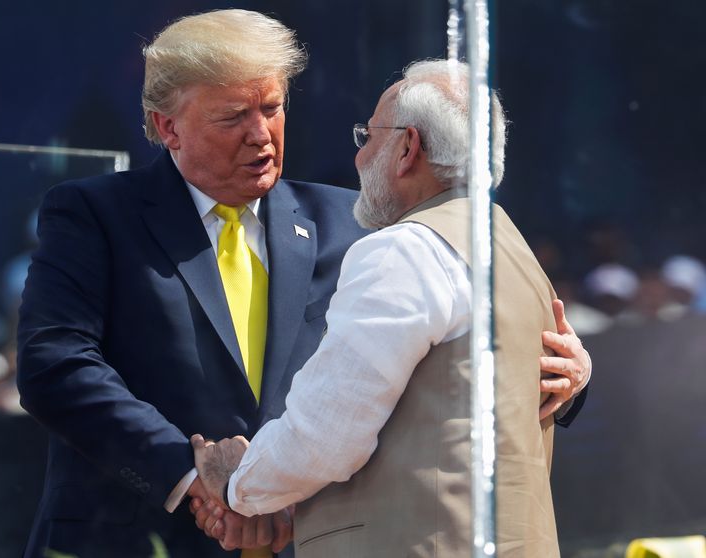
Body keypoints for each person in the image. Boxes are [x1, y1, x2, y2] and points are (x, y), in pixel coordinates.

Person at [17, 10, 589, 558]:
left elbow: (451, 338)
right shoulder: (92, 215)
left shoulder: (358, 221)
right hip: (138, 537)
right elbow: (55, 365)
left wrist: (570, 376)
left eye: (272, 107)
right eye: (232, 116)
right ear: (168, 127)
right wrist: (192, 475)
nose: (260, 133)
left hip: (311, 541)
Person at [190, 59, 587, 558]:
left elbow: (326, 437)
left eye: (368, 138)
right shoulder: (513, 248)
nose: (358, 160)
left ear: (407, 148)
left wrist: (235, 484)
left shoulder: (404, 250)